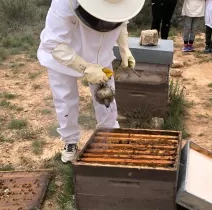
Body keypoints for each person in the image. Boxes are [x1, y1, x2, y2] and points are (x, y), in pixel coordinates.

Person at [37, 0, 145, 163]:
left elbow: (122, 22)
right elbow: (53, 43)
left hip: (101, 56)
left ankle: (109, 133)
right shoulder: (64, 2)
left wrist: (125, 49)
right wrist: (85, 67)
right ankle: (70, 142)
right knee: (65, 99)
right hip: (64, 57)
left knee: (107, 97)